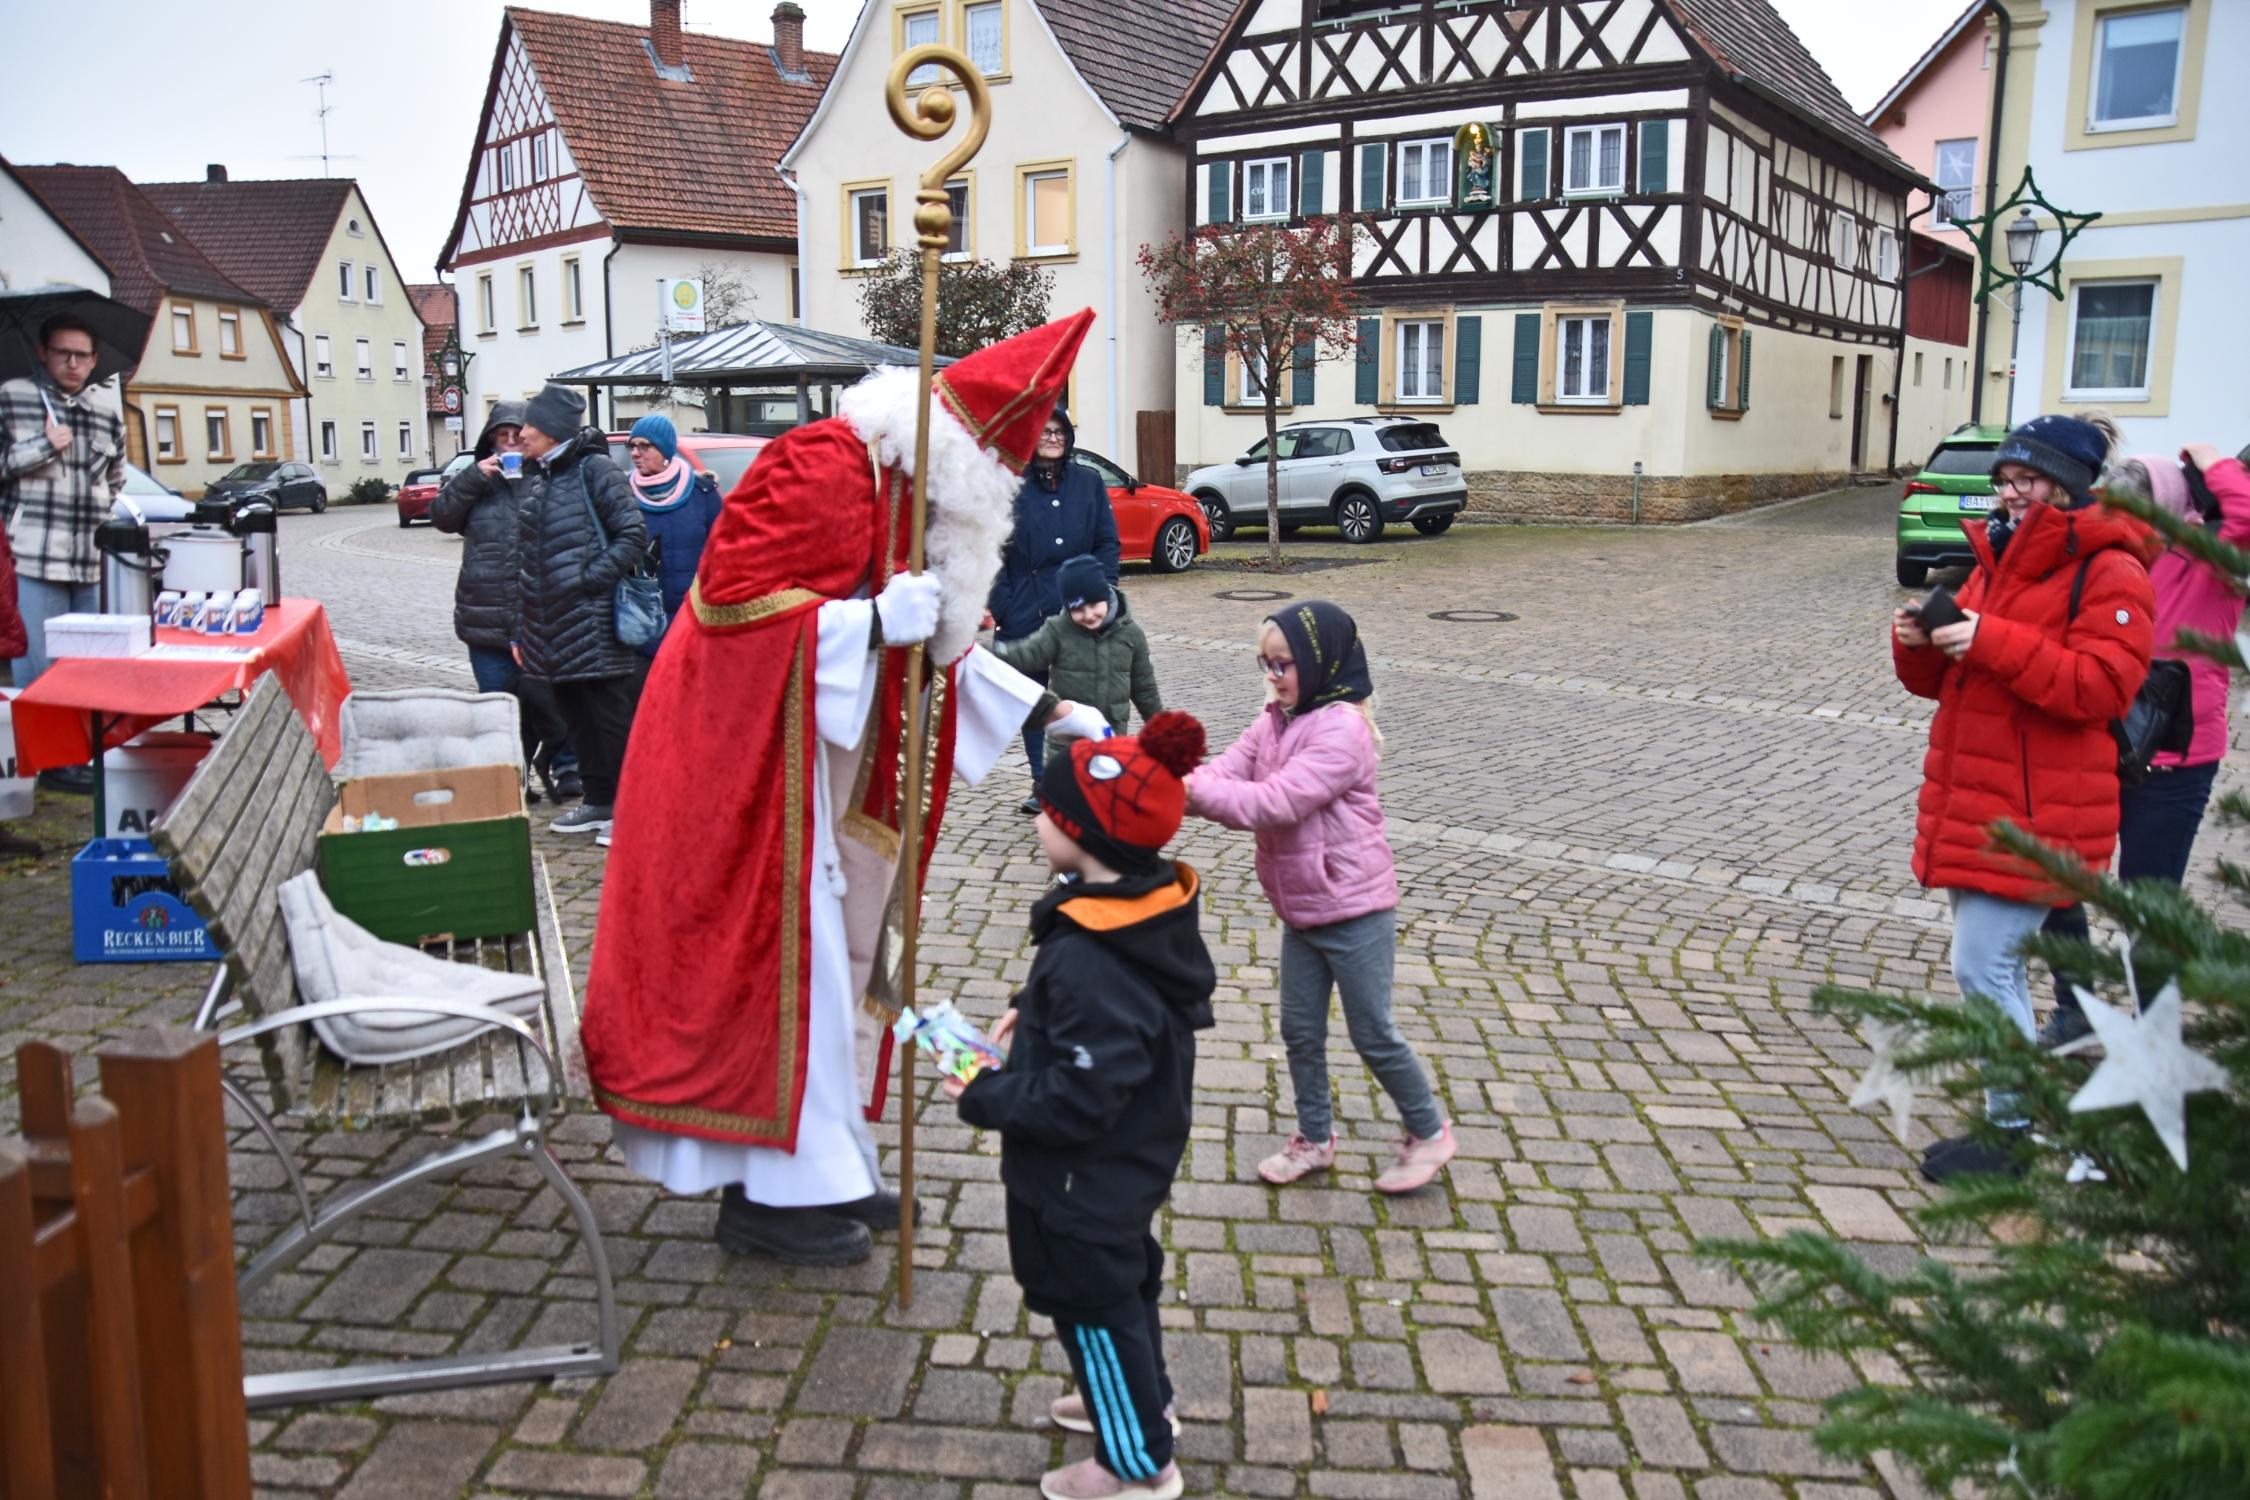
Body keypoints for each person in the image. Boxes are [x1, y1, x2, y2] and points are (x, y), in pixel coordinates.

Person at [582, 310, 1102, 1267]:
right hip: (736, 763)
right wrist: (863, 622)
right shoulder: (824, 466)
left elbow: (927, 642)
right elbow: (731, 608)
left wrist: (1034, 700)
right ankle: (769, 1197)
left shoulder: (906, 489)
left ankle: (831, 1165)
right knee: (795, 971)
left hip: (812, 774)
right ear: (957, 458)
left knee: (844, 969)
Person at [950, 711, 1215, 1500]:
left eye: (1049, 813)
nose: (1040, 824)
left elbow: (1081, 1095)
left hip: (1083, 1180)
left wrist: (986, 1092)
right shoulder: (1133, 905)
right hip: (1120, 1170)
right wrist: (1029, 1006)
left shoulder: (1092, 961)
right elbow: (1098, 1009)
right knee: (1125, 1286)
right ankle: (1139, 1397)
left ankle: (1137, 1461)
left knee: (1093, 1304)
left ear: (1082, 836)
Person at [1891, 414, 2154, 1183]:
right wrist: (1917, 643)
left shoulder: (2113, 569)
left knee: (1985, 966)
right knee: (1986, 967)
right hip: (1980, 791)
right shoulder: (1997, 559)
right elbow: (1945, 681)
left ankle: (2011, 1132)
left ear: (2068, 487)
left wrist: (1990, 641)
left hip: (2042, 810)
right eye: (2005, 481)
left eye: (2026, 481)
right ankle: (2008, 1120)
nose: (2010, 495)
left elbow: (2102, 686)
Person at [1186, 601, 1457, 1195]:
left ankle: (1430, 1131)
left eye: (1284, 664)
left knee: (1373, 1034)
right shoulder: (1275, 719)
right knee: (1299, 1030)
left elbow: (1277, 801)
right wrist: (1174, 784)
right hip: (1302, 908)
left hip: (1356, 910)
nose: (1273, 676)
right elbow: (1228, 771)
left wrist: (1188, 795)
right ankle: (1315, 1137)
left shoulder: (1342, 730)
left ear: (1318, 661)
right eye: (1265, 664)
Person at [2037, 443, 2250, 1046]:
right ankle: (2074, 1009)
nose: (2127, 520)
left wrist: (2216, 465)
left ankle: (2155, 1033)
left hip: (2176, 760)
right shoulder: (2108, 556)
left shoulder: (2211, 560)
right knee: (2058, 879)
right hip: (2094, 743)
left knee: (2147, 903)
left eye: (2140, 508)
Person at [509, 385, 646, 837]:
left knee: (607, 718)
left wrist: (588, 581)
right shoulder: (543, 475)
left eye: (529, 424)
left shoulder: (596, 470)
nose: (521, 433)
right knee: (578, 720)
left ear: (551, 430)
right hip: (552, 627)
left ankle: (629, 808)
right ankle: (600, 801)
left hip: (594, 624)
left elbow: (631, 535)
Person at [429, 401, 578, 805]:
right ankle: (509, 776)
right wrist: (473, 479)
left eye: (517, 435)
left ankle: (565, 764)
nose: (510, 443)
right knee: (496, 705)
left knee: (553, 696)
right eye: (501, 435)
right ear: (489, 439)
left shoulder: (547, 476)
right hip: (486, 613)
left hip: (539, 614)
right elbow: (441, 516)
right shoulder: (476, 480)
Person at [2, 314, 126, 792]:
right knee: (36, 669)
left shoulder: (106, 413)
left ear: (94, 361)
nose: (73, 363)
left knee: (83, 669)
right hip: (32, 557)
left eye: (82, 356)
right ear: (43, 353)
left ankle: (73, 758)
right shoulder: (13, 398)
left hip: (87, 562)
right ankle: (42, 764)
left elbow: (114, 480)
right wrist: (39, 446)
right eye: (63, 353)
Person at [988, 407, 1120, 814]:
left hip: (1079, 611)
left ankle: (1082, 781)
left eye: (1059, 430)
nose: (1052, 437)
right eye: (1043, 430)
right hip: (1024, 611)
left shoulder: (1088, 483)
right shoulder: (1009, 487)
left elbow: (1107, 542)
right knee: (1033, 702)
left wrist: (1100, 590)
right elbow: (991, 550)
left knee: (1083, 699)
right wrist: (1002, 603)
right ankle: (1045, 784)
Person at [992, 552, 1162, 745]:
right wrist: (993, 656)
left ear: (1105, 596)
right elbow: (1028, 654)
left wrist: (1163, 730)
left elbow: (1145, 688)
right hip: (1066, 745)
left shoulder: (1132, 634)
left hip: (1110, 741)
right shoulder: (1058, 629)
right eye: (1078, 610)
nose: (1088, 615)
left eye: (1093, 605)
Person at [619, 413, 722, 650]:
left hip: (694, 620)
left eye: (644, 446)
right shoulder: (621, 494)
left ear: (665, 450)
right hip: (640, 622)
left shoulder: (702, 493)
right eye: (632, 446)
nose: (635, 452)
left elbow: (723, 551)